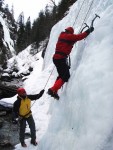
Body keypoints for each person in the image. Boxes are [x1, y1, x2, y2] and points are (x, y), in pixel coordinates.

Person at [48, 26, 94, 100]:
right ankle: (53, 89)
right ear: (70, 32)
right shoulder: (68, 36)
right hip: (61, 59)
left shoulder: (62, 35)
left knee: (61, 75)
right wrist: (88, 31)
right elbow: (79, 37)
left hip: (56, 58)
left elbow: (68, 42)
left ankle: (55, 91)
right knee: (65, 76)